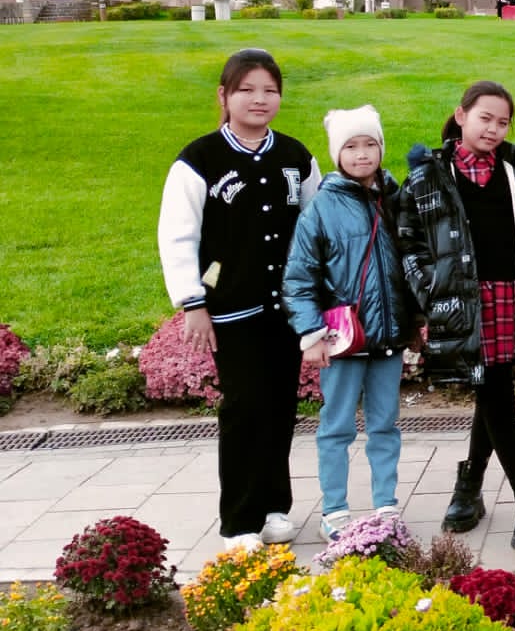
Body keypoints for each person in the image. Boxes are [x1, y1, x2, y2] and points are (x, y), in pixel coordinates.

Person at [157, 48, 320, 549]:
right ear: (224, 96)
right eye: (246, 89)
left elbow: (316, 227)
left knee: (280, 407)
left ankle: (274, 507)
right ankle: (240, 521)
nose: (259, 99)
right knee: (244, 408)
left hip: (286, 309)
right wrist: (193, 302)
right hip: (230, 307)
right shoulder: (199, 160)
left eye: (269, 90)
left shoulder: (296, 157)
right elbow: (178, 235)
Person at [395, 79, 515, 546]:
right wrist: (432, 290)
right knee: (495, 390)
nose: (493, 129)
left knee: (493, 387)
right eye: (485, 118)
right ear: (461, 115)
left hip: (511, 296)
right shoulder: (426, 178)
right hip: (463, 300)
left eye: (503, 122)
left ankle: (470, 484)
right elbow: (409, 242)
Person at [283, 105, 420, 540]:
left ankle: (386, 504)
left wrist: (415, 322)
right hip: (342, 339)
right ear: (336, 154)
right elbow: (299, 277)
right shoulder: (321, 209)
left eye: (370, 144)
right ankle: (335, 510)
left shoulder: (396, 199)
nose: (362, 154)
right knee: (336, 426)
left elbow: (412, 265)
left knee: (385, 424)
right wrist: (310, 334)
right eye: (351, 146)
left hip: (388, 338)